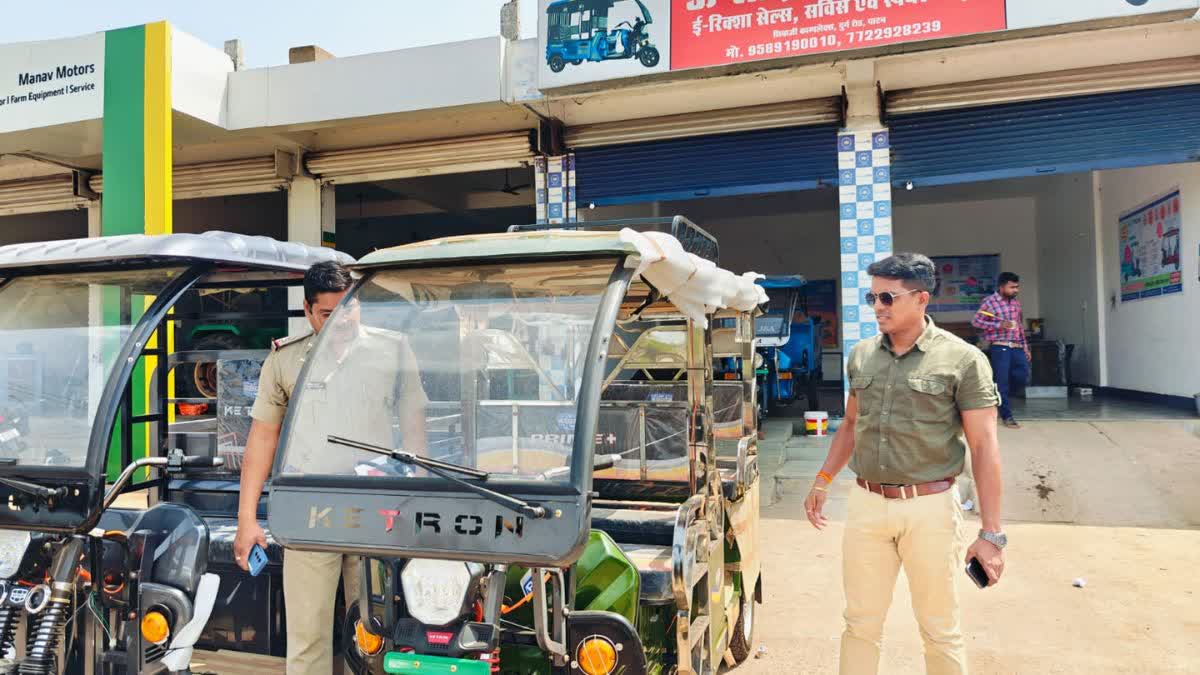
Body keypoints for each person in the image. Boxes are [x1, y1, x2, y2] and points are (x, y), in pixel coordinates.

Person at [805, 253, 1006, 675]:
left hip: (929, 509)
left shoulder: (963, 359)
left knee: (938, 627)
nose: (877, 306)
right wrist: (823, 479)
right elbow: (850, 425)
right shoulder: (862, 355)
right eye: (872, 296)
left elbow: (984, 447)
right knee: (859, 622)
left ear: (921, 299)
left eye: (887, 297)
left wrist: (991, 534)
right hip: (867, 507)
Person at [231, 261, 425, 674]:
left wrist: (419, 505)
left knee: (376, 633)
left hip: (376, 509)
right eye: (327, 313)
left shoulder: (392, 350)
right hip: (310, 510)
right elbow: (261, 441)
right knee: (307, 639)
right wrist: (247, 519)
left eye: (349, 309)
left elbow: (415, 432)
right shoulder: (284, 362)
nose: (342, 320)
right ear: (307, 310)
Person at [971, 272, 1029, 429]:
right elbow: (976, 322)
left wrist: (1025, 347)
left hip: (1017, 346)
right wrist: (999, 325)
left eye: (1017, 287)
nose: (1015, 290)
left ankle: (999, 397)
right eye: (1012, 287)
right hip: (1000, 346)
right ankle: (1006, 415)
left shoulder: (1015, 303)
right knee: (1001, 383)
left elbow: (1020, 327)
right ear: (1002, 286)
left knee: (1023, 375)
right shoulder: (989, 302)